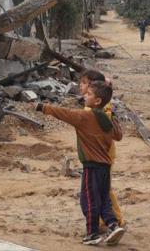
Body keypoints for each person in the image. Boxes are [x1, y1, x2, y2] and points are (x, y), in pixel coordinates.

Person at [35, 81, 126, 245]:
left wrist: (43, 107)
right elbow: (118, 136)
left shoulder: (86, 116)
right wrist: (113, 116)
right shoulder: (107, 119)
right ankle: (113, 225)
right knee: (104, 198)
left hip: (92, 166)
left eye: (89, 94)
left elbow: (64, 113)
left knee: (89, 199)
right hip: (105, 166)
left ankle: (92, 233)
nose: (85, 95)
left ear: (97, 101)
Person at [79, 70, 126, 238]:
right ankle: (107, 221)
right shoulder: (92, 106)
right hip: (97, 155)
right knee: (100, 190)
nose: (81, 86)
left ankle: (114, 221)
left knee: (101, 191)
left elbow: (112, 133)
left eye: (85, 83)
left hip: (100, 156)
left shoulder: (101, 109)